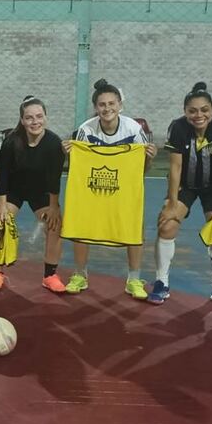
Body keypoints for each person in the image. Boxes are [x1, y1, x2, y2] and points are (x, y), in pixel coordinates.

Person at [62, 79, 157, 298]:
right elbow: (78, 166)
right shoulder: (86, 129)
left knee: (134, 226)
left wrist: (150, 157)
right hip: (93, 188)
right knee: (81, 223)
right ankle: (80, 275)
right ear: (96, 108)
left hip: (123, 189)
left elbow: (142, 168)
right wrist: (69, 152)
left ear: (120, 105)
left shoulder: (133, 129)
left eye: (111, 103)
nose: (107, 108)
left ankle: (133, 279)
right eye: (102, 104)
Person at [150, 82, 212, 307]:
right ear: (185, 112)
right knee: (167, 225)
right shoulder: (178, 128)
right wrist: (171, 203)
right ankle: (161, 282)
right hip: (185, 185)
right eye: (192, 110)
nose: (199, 115)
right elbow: (175, 168)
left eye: (204, 110)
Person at [0, 96, 65, 291]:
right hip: (13, 191)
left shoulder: (54, 143)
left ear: (45, 117)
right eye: (29, 118)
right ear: (22, 120)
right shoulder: (11, 142)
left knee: (55, 226)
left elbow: (55, 179)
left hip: (40, 192)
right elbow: (2, 176)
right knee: (1, 224)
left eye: (39, 116)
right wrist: (2, 205)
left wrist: (54, 207)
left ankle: (50, 275)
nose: (34, 122)